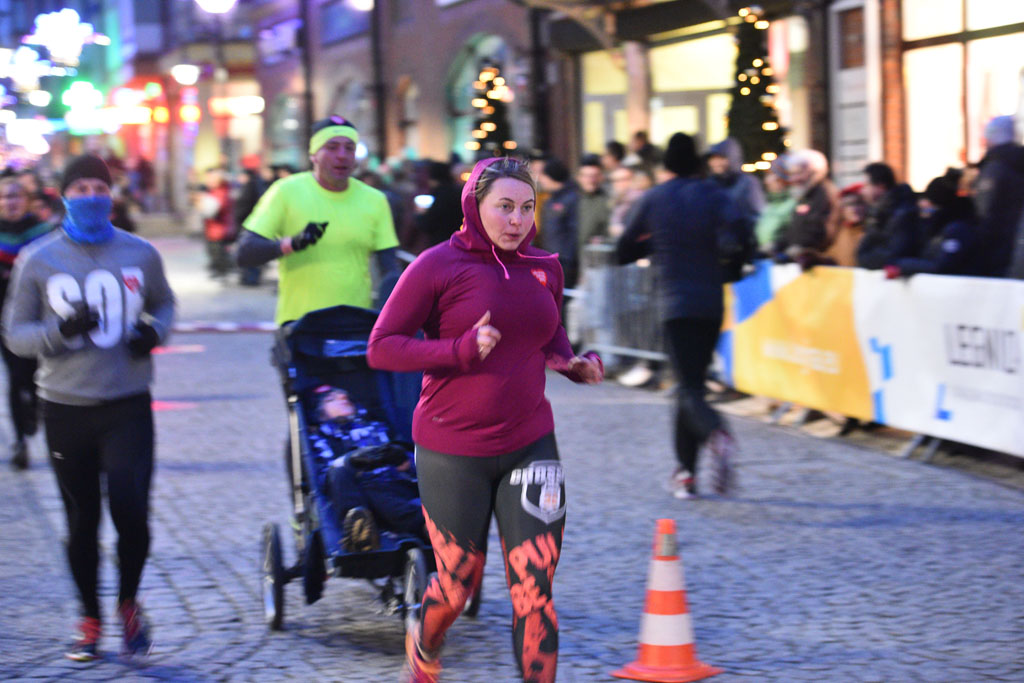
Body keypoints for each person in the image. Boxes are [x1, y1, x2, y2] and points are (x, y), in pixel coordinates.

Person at [367, 156, 603, 683]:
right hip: (453, 449)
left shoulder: (545, 265)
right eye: (504, 207)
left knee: (534, 588)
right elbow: (381, 349)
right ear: (474, 205)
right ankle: (423, 646)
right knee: (457, 583)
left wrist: (571, 364)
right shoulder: (436, 265)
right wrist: (458, 350)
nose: (516, 221)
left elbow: (549, 332)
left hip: (530, 443)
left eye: (526, 208)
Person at [1, 154, 176, 661]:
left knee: (132, 512)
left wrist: (154, 331)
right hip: (66, 408)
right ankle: (88, 618)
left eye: (99, 186)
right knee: (82, 521)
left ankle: (127, 604)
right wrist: (60, 332)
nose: (90, 196)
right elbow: (15, 335)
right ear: (61, 195)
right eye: (79, 187)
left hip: (127, 403)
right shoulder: (39, 258)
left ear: (112, 192)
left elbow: (164, 303)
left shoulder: (140, 252)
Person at [617, 132, 748, 499]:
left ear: (667, 164)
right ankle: (686, 474)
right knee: (691, 383)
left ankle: (715, 435)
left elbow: (624, 248)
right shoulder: (716, 195)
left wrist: (656, 241)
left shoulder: (654, 198)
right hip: (710, 302)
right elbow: (741, 233)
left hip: (674, 303)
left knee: (688, 386)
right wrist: (730, 270)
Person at [235, 116, 400, 324]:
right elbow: (244, 253)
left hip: (355, 324)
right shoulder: (285, 191)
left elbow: (390, 270)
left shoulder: (375, 200)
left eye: (350, 148)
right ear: (314, 155)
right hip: (299, 326)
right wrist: (291, 244)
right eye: (331, 147)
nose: (342, 155)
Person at [0, 171, 55, 469]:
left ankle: (33, 411)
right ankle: (21, 439)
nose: (11, 202)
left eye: (16, 196)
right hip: (3, 320)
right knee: (14, 377)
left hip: (35, 317)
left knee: (34, 375)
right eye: (5, 197)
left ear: (27, 201)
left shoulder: (41, 233)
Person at [885, 173, 988, 278]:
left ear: (938, 204)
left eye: (927, 201)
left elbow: (942, 266)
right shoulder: (936, 228)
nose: (922, 204)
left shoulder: (958, 230)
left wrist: (902, 264)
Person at [974, 115, 1024, 276]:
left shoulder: (995, 169)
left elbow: (985, 211)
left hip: (996, 249)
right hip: (1015, 245)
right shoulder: (1016, 163)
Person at [855, 161, 921, 270]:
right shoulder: (876, 213)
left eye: (866, 185)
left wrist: (867, 257)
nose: (862, 191)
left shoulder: (902, 214)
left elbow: (894, 253)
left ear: (881, 186)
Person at [537, 157, 580, 289]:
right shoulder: (550, 199)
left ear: (551, 176)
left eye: (542, 175)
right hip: (551, 260)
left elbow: (575, 231)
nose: (540, 180)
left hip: (565, 263)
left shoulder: (572, 198)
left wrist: (568, 259)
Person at [706, 137, 766, 225]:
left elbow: (758, 216)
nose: (716, 163)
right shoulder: (709, 184)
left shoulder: (748, 183)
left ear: (732, 158)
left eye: (721, 158)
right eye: (713, 158)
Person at [576, 154, 610, 247]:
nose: (591, 180)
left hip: (595, 255)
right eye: (587, 176)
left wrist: (604, 239)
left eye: (595, 176)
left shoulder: (607, 200)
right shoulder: (570, 200)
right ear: (579, 177)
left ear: (601, 177)